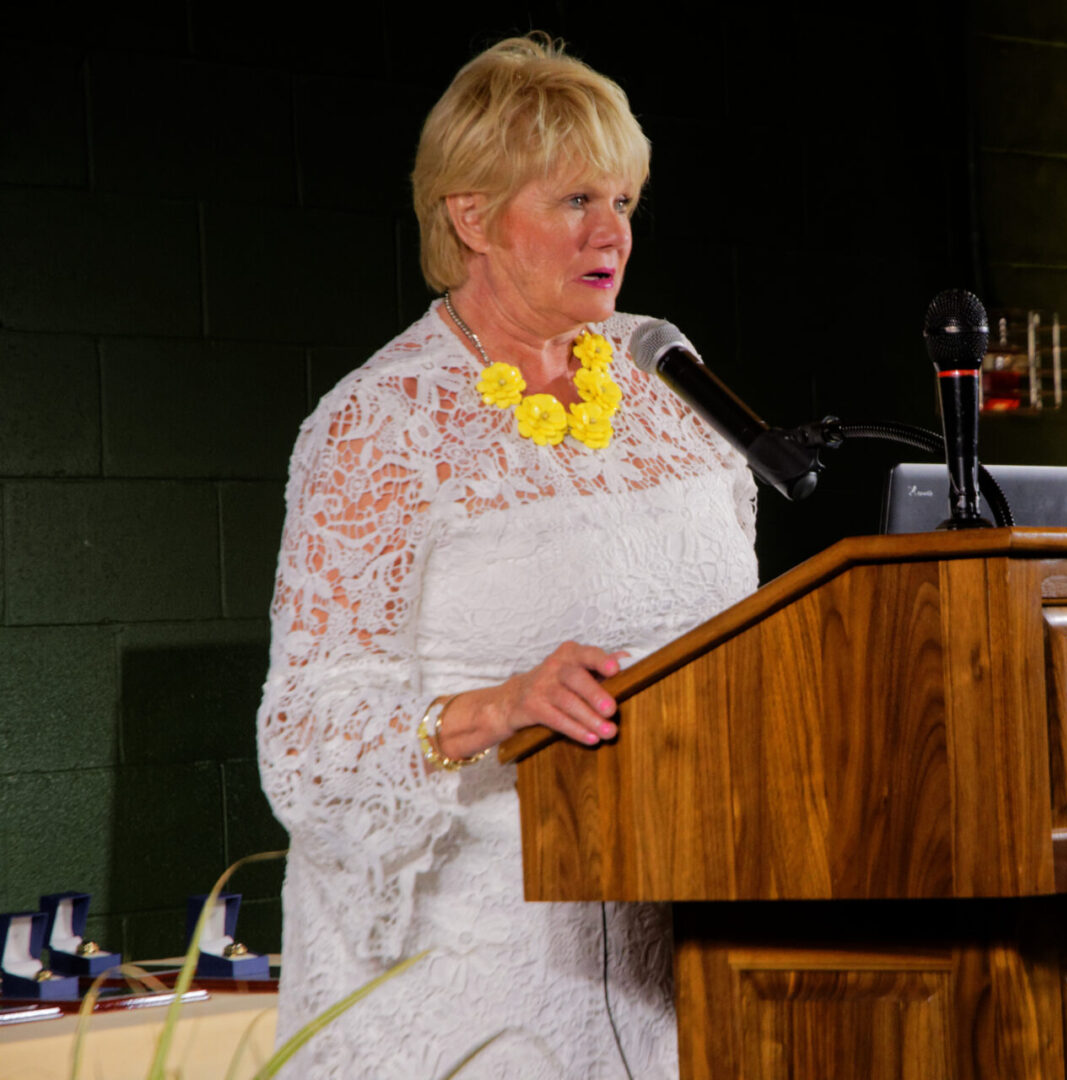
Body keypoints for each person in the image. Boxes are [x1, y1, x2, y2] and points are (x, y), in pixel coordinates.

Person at [256, 34, 757, 1078]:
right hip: (469, 968)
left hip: (675, 943)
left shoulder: (668, 379)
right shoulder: (378, 425)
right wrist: (507, 703)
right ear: (471, 217)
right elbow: (305, 739)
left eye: (622, 201)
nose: (611, 232)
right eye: (576, 200)